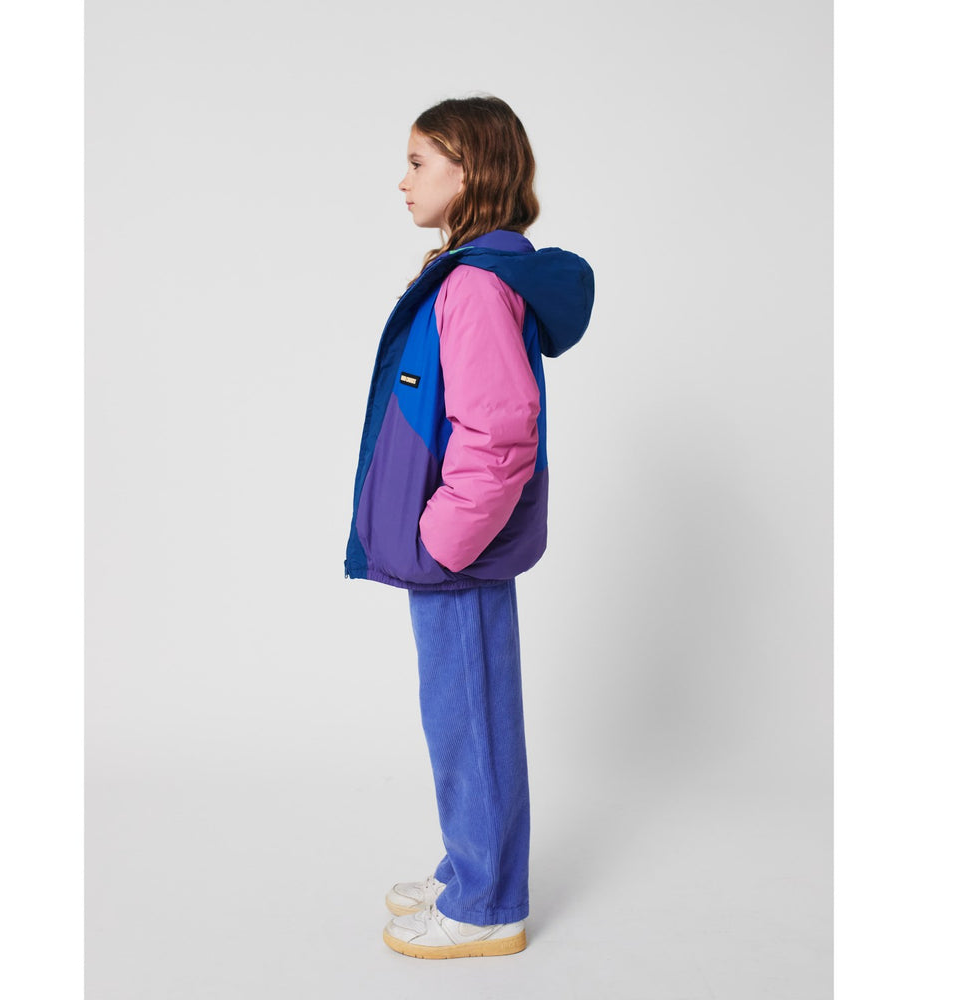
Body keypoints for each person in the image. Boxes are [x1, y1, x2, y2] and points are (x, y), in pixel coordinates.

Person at [344, 95, 595, 959]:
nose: (402, 180)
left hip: (459, 548)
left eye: (418, 163)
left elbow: (500, 432)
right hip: (448, 544)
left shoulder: (477, 286)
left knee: (473, 720)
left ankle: (487, 906)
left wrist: (443, 540)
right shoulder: (464, 274)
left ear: (468, 172)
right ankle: (468, 868)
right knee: (458, 714)